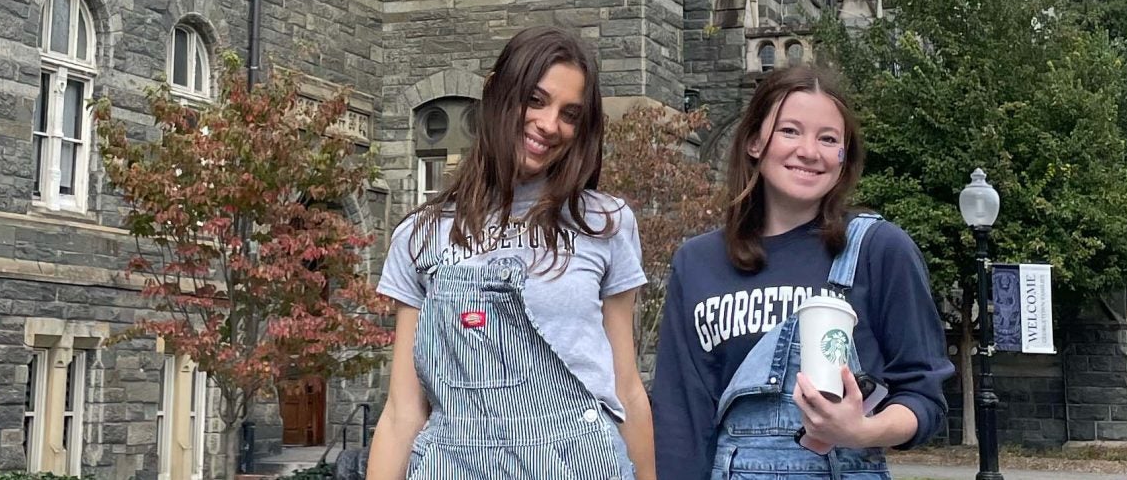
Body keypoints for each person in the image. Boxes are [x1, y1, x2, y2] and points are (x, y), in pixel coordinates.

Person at [367, 26, 654, 480]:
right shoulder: (421, 234)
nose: (549, 124)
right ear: (495, 91)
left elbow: (627, 390)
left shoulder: (604, 223)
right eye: (536, 100)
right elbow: (403, 411)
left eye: (570, 114)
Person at [651, 65, 953, 480]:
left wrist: (861, 430)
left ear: (844, 157)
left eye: (829, 139)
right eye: (790, 131)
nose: (809, 151)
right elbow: (681, 418)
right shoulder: (697, 261)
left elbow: (924, 397)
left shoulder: (879, 249)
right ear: (756, 142)